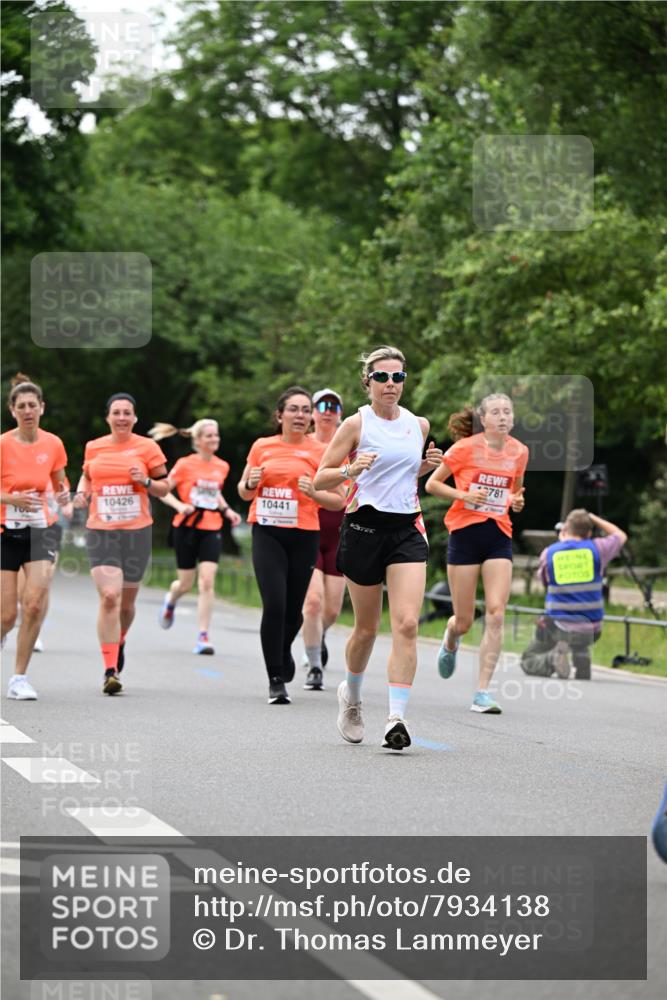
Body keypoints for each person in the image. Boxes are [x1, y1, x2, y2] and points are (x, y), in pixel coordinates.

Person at [314, 346, 442, 751]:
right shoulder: (355, 424)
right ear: (367, 381)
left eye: (398, 378)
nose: (391, 385)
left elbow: (402, 475)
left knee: (406, 623)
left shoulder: (418, 426)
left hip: (406, 528)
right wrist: (350, 469)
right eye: (382, 377)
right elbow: (320, 479)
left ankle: (396, 718)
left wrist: (424, 467)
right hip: (364, 528)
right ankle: (351, 698)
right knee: (367, 629)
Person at [238, 387, 345, 705]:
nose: (300, 415)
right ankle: (275, 679)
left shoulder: (320, 451)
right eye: (293, 409)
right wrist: (250, 484)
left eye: (305, 410)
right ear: (280, 415)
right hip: (268, 532)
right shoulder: (262, 446)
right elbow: (244, 491)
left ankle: (283, 649)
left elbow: (338, 498)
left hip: (303, 534)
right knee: (274, 604)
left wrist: (313, 493)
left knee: (294, 612)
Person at [425, 393, 528, 714]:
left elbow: (516, 491)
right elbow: (432, 484)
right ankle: (451, 637)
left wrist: (516, 502)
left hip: (499, 535)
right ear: (483, 420)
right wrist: (464, 493)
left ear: (512, 419)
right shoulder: (464, 449)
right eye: (495, 412)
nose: (502, 417)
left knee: (497, 612)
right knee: (466, 620)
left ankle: (482, 691)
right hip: (465, 533)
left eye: (507, 412)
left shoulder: (519, 451)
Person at [74, 394, 170, 695]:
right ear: (108, 418)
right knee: (110, 597)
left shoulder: (148, 447)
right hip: (101, 529)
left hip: (136, 532)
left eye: (127, 413)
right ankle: (110, 669)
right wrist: (81, 494)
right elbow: (87, 478)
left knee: (127, 604)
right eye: (116, 412)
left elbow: (165, 486)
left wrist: (146, 482)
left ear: (135, 418)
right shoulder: (94, 447)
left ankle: (120, 639)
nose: (122, 418)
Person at [1, 374, 69, 700]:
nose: (28, 410)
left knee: (33, 603)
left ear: (42, 408)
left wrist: (70, 499)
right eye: (22, 406)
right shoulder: (2, 444)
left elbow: (60, 483)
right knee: (7, 615)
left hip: (41, 529)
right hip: (6, 531)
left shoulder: (53, 444)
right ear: (12, 410)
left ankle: (18, 678)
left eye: (33, 405)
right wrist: (9, 499)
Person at [149, 419, 242, 654]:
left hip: (212, 527)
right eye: (209, 436)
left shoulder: (222, 466)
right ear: (198, 441)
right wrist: (180, 506)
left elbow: (215, 493)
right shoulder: (185, 464)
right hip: (186, 528)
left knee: (207, 581)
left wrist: (227, 510)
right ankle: (172, 598)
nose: (214, 440)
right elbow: (162, 491)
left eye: (216, 435)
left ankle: (203, 636)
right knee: (186, 583)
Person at [520, 509, 627, 680]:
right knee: (579, 626)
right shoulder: (598, 548)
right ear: (589, 532)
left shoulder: (550, 553)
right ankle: (581, 657)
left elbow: (545, 582)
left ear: (565, 528)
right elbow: (620, 535)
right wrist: (592, 517)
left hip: (562, 628)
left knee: (528, 660)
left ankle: (552, 659)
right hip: (593, 630)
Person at [301, 388, 347, 691]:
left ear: (340, 413)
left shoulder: (348, 447)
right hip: (306, 531)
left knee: (331, 610)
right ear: (312, 412)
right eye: (322, 405)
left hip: (340, 533)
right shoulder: (301, 446)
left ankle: (318, 635)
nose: (328, 411)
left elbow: (347, 495)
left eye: (334, 406)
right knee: (313, 604)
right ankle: (315, 666)